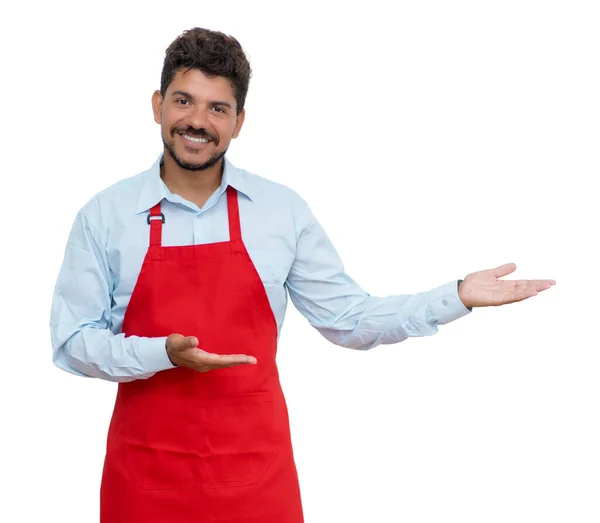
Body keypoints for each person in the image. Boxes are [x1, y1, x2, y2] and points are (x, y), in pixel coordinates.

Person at [49, 27, 555, 523]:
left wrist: (456, 296)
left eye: (217, 108)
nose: (197, 121)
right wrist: (161, 353)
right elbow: (72, 342)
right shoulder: (104, 216)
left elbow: (348, 319)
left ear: (239, 121)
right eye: (184, 101)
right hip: (146, 478)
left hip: (254, 479)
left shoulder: (280, 211)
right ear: (158, 105)